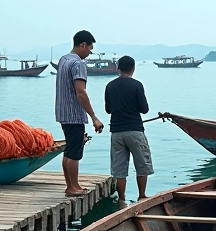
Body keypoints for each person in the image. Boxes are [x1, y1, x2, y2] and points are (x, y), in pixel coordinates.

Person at [55, 30, 104, 196]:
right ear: (83, 45)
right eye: (90, 49)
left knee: (69, 149)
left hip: (62, 112)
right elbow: (81, 92)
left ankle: (70, 185)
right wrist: (94, 117)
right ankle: (73, 186)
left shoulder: (63, 60)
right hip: (74, 114)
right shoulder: (78, 64)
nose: (89, 53)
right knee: (75, 152)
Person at [104, 56, 153, 205]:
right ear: (133, 68)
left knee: (119, 168)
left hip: (117, 132)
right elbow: (144, 109)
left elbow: (108, 109)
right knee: (142, 165)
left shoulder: (110, 86)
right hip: (135, 130)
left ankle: (122, 199)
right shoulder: (137, 85)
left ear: (118, 68)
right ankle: (142, 195)